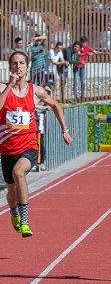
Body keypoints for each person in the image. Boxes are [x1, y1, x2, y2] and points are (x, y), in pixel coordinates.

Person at [0, 52, 73, 237]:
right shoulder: (2, 88)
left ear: (27, 67)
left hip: (29, 146)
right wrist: (8, 86)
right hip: (7, 150)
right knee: (10, 192)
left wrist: (64, 130)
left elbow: (56, 105)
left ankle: (24, 220)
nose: (18, 67)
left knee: (19, 172)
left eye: (22, 63)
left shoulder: (35, 91)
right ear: (10, 67)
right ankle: (14, 212)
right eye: (15, 63)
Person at [74, 37, 98, 101]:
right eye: (83, 43)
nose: (85, 44)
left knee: (82, 81)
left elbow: (94, 51)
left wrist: (103, 53)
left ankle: (82, 95)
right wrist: (86, 53)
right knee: (76, 82)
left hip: (82, 66)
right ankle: (76, 96)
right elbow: (79, 55)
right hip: (76, 66)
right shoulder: (77, 47)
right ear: (81, 42)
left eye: (85, 43)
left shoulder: (87, 47)